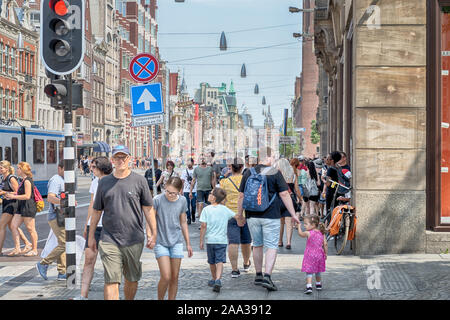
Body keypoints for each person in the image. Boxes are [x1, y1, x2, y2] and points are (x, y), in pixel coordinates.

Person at [88, 145, 154, 300]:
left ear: (129, 159)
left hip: (134, 238)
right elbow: (97, 211)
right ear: (112, 161)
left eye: (123, 157)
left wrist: (154, 233)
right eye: (117, 157)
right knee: (112, 279)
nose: (120, 160)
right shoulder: (104, 183)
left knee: (132, 278)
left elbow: (148, 209)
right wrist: (91, 236)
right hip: (109, 238)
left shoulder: (140, 181)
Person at [236, 148, 301, 291]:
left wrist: (240, 214)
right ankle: (267, 276)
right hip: (271, 215)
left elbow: (241, 196)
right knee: (271, 245)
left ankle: (258, 274)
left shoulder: (248, 172)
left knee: (257, 244)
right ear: (269, 157)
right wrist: (293, 214)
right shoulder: (275, 173)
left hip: (252, 215)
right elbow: (284, 194)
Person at [72, 157, 113, 300]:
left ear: (102, 168)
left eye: (94, 167)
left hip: (109, 227)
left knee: (110, 263)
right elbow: (92, 204)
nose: (91, 169)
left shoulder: (114, 181)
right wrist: (86, 225)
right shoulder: (95, 182)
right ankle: (83, 295)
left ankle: (112, 295)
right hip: (94, 226)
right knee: (89, 260)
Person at [148, 177, 193, 300]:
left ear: (179, 191)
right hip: (160, 242)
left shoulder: (182, 201)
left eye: (173, 193)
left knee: (174, 276)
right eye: (167, 191)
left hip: (176, 242)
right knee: (166, 276)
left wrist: (188, 243)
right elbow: (150, 220)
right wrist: (150, 236)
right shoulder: (157, 200)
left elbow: (183, 223)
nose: (170, 195)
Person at [199, 188, 244, 293]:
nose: (209, 195)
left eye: (210, 194)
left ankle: (214, 279)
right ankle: (218, 279)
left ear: (214, 198)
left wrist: (201, 240)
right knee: (219, 261)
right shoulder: (224, 209)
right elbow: (236, 215)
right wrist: (240, 220)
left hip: (210, 240)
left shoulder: (206, 209)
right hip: (222, 241)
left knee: (211, 261)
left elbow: (203, 225)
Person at [219, 158, 252, 278]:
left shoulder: (225, 182)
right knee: (246, 241)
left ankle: (234, 269)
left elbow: (221, 200)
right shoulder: (248, 180)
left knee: (233, 242)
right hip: (245, 214)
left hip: (230, 215)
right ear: (242, 167)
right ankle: (246, 263)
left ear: (231, 167)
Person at [36, 161, 66, 279]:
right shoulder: (56, 180)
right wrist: (65, 202)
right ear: (59, 168)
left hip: (62, 215)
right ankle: (43, 263)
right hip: (56, 215)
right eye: (67, 169)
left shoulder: (63, 179)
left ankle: (62, 271)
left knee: (62, 243)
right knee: (65, 243)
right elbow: (50, 197)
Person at [6, 162, 38, 257]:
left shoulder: (27, 181)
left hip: (28, 206)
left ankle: (34, 249)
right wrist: (12, 195)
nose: (17, 170)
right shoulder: (23, 180)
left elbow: (27, 196)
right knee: (13, 226)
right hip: (21, 206)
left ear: (23, 170)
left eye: (19, 168)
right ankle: (17, 248)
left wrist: (13, 197)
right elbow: (21, 193)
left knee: (31, 229)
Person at [0, 161, 31, 256]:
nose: (0, 169)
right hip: (6, 203)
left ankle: (0, 249)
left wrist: (4, 193)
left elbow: (18, 192)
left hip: (12, 204)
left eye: (1, 168)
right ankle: (27, 243)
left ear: (7, 169)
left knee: (1, 225)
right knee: (12, 226)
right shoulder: (2, 178)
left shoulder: (11, 178)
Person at [273, 158, 301, 250]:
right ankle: (288, 242)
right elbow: (296, 189)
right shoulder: (293, 174)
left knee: (281, 222)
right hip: (290, 199)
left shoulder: (277, 175)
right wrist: (299, 198)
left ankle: (280, 241)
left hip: (280, 199)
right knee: (289, 222)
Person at [297, 215, 327, 294]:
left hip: (310, 255)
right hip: (320, 255)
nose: (304, 225)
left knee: (309, 271)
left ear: (313, 225)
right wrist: (326, 253)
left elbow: (300, 234)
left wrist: (298, 226)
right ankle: (318, 284)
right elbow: (325, 244)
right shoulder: (322, 233)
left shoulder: (308, 233)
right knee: (318, 270)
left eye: (306, 224)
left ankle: (309, 286)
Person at [189, 156, 215, 222]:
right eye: (201, 159)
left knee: (209, 206)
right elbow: (193, 180)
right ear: (199, 161)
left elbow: (212, 180)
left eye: (204, 158)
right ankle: (202, 221)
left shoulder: (210, 169)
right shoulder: (196, 169)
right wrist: (190, 191)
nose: (203, 160)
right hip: (200, 189)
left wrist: (214, 189)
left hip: (208, 189)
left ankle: (209, 221)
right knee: (200, 204)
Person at [322, 151, 343, 225]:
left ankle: (330, 228)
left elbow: (328, 184)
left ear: (332, 160)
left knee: (329, 211)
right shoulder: (338, 168)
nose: (326, 160)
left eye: (327, 159)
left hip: (331, 193)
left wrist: (324, 179)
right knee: (335, 211)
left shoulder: (330, 170)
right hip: (338, 192)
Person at [180, 158, 197, 224]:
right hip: (186, 190)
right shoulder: (184, 171)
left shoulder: (195, 171)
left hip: (194, 190)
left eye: (190, 163)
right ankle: (188, 218)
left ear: (193, 163)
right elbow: (182, 181)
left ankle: (193, 214)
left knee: (193, 205)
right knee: (186, 204)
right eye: (188, 163)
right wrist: (181, 190)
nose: (189, 164)